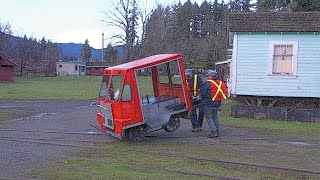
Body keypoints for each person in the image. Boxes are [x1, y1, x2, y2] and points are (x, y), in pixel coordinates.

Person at [201, 69, 228, 138]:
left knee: (209, 117)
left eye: (209, 75)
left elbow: (203, 94)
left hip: (209, 103)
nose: (208, 76)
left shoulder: (207, 84)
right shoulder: (221, 83)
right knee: (215, 117)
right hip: (218, 102)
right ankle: (217, 131)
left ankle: (214, 131)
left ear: (211, 76)